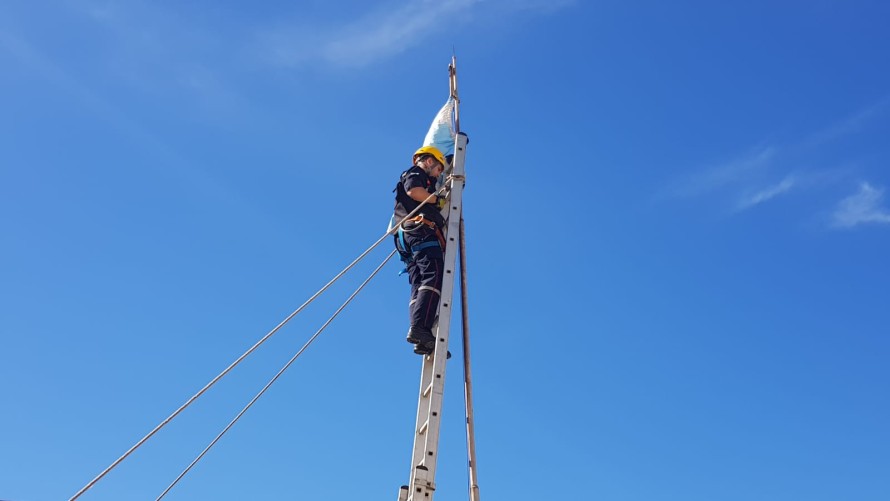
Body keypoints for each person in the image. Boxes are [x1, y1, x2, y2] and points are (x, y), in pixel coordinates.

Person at [393, 146, 448, 355]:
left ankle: (421, 333)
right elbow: (414, 192)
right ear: (429, 161)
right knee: (433, 274)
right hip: (420, 230)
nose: (438, 175)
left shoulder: (422, 176)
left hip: (408, 237)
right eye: (438, 169)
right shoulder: (416, 173)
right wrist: (437, 199)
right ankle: (419, 328)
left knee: (419, 284)